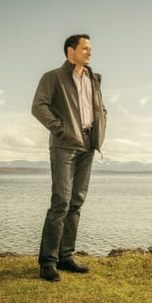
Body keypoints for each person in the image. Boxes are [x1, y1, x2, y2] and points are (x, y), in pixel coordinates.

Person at [31, 34, 106, 282]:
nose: (89, 52)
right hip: (64, 145)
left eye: (90, 49)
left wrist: (100, 124)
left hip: (88, 144)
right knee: (61, 202)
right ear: (70, 51)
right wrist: (61, 128)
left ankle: (65, 256)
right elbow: (39, 106)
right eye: (85, 48)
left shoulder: (93, 79)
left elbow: (100, 108)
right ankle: (48, 263)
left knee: (76, 202)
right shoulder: (53, 77)